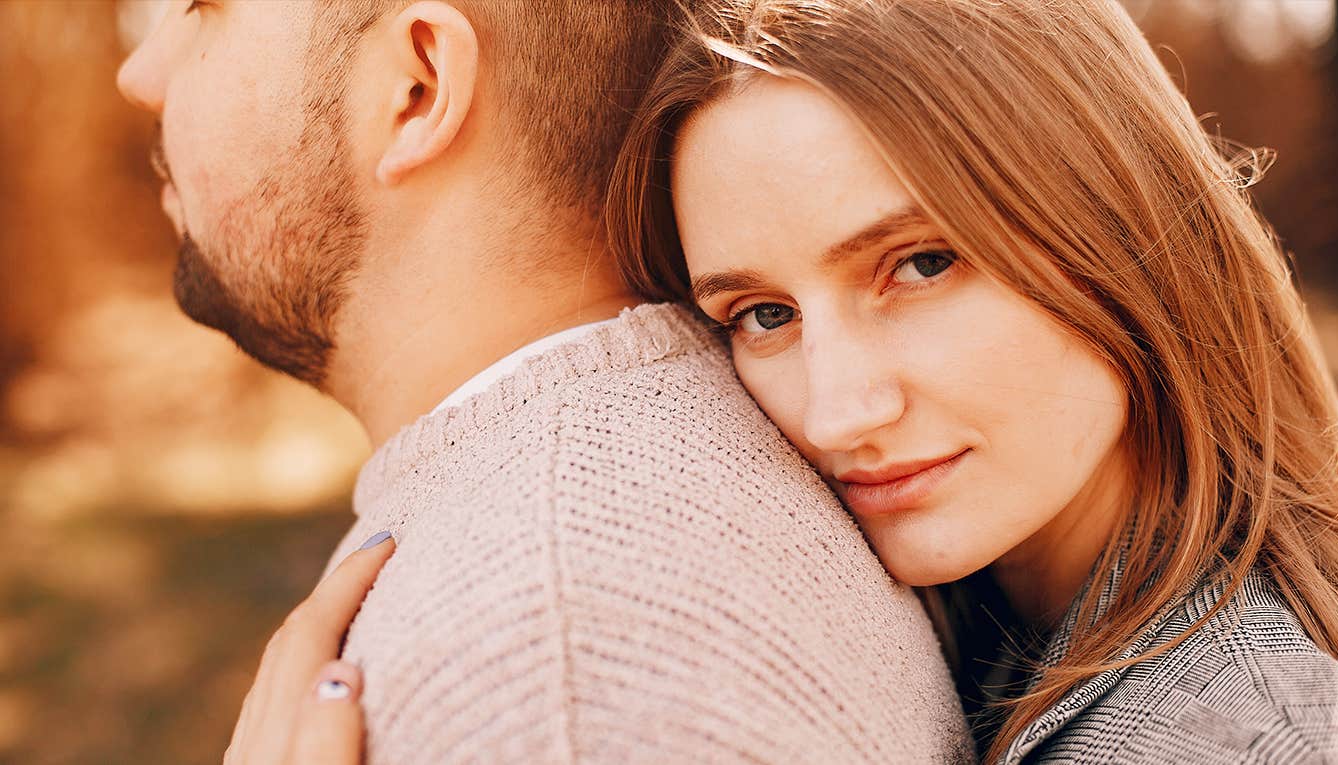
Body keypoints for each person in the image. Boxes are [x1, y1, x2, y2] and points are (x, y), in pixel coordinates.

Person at [116, 1, 972, 763]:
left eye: (201, 8)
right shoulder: (618, 509)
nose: (139, 73)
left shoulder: (557, 681)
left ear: (416, 87)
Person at [605, 0, 1338, 763]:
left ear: (1121, 225)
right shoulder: (985, 654)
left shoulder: (1248, 741)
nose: (836, 414)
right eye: (765, 314)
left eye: (922, 264)